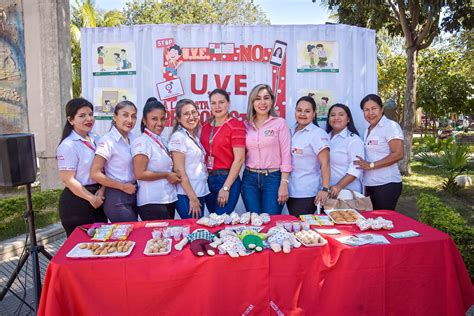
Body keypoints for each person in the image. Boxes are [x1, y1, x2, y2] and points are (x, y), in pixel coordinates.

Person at [56, 98, 107, 236]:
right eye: (82, 115)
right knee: (81, 245)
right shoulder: (68, 145)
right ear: (71, 120)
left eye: (90, 114)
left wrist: (102, 190)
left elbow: (106, 169)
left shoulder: (97, 139)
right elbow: (68, 180)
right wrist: (91, 198)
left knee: (101, 245)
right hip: (77, 201)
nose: (88, 119)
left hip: (99, 199)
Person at [241, 84, 292, 215]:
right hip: (249, 179)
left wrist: (284, 183)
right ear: (252, 102)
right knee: (254, 222)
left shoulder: (280, 123)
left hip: (273, 179)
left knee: (271, 221)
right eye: (257, 98)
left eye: (266, 98)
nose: (262, 102)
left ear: (272, 101)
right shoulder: (245, 125)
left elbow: (286, 155)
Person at [132, 98, 181, 220]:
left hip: (168, 198)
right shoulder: (142, 141)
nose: (159, 123)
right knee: (157, 238)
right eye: (154, 119)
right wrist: (166, 175)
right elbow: (139, 173)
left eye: (163, 119)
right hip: (152, 202)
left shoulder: (163, 140)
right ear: (144, 120)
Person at [90, 100, 139, 222]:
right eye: (125, 115)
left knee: (136, 234)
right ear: (115, 117)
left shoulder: (134, 138)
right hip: (117, 197)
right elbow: (95, 173)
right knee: (130, 234)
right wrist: (122, 187)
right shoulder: (107, 141)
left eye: (133, 116)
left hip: (134, 192)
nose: (130, 120)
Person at [354, 94, 404, 210]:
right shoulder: (368, 129)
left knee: (383, 221)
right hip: (370, 184)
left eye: (374, 108)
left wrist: (371, 165)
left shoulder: (390, 126)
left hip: (387, 184)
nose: (370, 113)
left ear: (381, 109)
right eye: (366, 110)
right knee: (373, 222)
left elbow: (398, 154)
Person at [200, 89, 245, 215]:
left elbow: (239, 159)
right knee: (213, 220)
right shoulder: (205, 126)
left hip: (226, 178)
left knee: (221, 219)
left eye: (221, 102)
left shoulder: (236, 125)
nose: (217, 106)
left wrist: (226, 188)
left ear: (228, 103)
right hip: (208, 179)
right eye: (213, 103)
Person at [287, 96, 330, 216]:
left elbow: (325, 163)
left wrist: (325, 189)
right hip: (289, 190)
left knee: (303, 230)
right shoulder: (289, 130)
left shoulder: (317, 134)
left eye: (307, 111)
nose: (302, 114)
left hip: (307, 192)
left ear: (314, 114)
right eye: (299, 110)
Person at [169, 99, 210, 219]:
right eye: (186, 114)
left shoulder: (193, 136)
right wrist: (192, 198)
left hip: (198, 191)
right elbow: (179, 170)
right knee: (193, 230)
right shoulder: (178, 137)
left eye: (194, 112)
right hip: (186, 195)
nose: (191, 117)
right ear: (178, 118)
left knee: (197, 230)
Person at [325, 103, 365, 197]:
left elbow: (356, 168)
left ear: (348, 119)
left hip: (347, 192)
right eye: (333, 115)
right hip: (326, 191)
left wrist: (338, 186)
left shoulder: (353, 140)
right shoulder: (324, 137)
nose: (336, 118)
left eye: (341, 115)